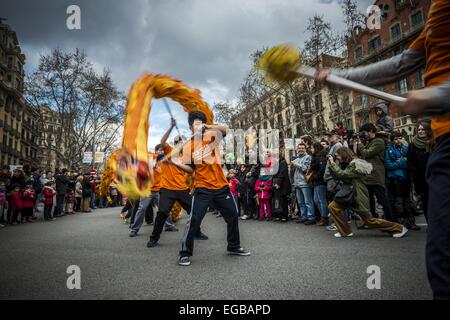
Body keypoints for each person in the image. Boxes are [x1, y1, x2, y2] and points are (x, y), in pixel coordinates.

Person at [316, 2, 450, 297]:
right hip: (443, 143)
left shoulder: (376, 142)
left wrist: (435, 96)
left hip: (379, 176)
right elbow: (401, 63)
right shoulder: (437, 10)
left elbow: (363, 160)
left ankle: (396, 225)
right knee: (442, 256)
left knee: (442, 258)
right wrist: (342, 77)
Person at [166, 111, 250, 266]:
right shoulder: (188, 146)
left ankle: (233, 246)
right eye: (195, 124)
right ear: (190, 126)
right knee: (195, 220)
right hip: (203, 188)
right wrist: (176, 163)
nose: (198, 126)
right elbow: (191, 170)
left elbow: (228, 130)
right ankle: (184, 253)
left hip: (221, 187)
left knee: (233, 215)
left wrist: (208, 125)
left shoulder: (211, 135)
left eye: (200, 123)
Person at [147, 120, 207, 248]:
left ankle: (197, 232)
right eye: (178, 141)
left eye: (182, 141)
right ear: (175, 143)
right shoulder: (169, 150)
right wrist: (171, 127)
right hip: (167, 189)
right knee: (162, 212)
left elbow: (192, 171)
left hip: (182, 189)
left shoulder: (187, 156)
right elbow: (162, 141)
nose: (180, 143)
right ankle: (153, 238)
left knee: (194, 211)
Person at [327, 147, 408, 238]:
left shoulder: (356, 165)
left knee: (369, 220)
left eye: (338, 155)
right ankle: (345, 231)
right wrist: (332, 164)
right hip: (349, 193)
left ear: (343, 154)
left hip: (357, 194)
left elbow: (342, 174)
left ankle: (399, 228)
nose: (337, 157)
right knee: (332, 207)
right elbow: (338, 176)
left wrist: (333, 163)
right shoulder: (348, 164)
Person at [356, 123, 395, 222]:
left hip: (376, 174)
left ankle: (393, 221)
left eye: (364, 132)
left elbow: (366, 154)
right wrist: (358, 144)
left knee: (382, 199)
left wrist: (360, 144)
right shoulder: (370, 141)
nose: (364, 134)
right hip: (369, 174)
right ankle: (372, 219)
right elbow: (360, 153)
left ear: (370, 131)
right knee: (369, 199)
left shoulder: (379, 141)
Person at [385, 132, 419, 230]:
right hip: (395, 178)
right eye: (395, 139)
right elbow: (388, 165)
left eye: (400, 138)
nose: (398, 140)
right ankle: (401, 223)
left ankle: (411, 222)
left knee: (407, 200)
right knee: (398, 201)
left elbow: (410, 161)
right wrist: (401, 161)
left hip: (406, 177)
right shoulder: (389, 150)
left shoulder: (405, 148)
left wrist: (399, 161)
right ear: (392, 140)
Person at [407, 119, 433, 221]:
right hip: (421, 180)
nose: (420, 131)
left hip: (435, 177)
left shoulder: (434, 143)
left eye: (423, 129)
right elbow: (410, 163)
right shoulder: (412, 145)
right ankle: (430, 224)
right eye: (418, 130)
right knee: (426, 203)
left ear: (428, 130)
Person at [291, 143, 314, 225]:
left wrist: (295, 164)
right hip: (297, 184)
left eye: (302, 148)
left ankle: (311, 217)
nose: (300, 149)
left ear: (305, 149)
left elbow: (305, 169)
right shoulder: (297, 158)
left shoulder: (308, 157)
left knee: (308, 201)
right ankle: (304, 217)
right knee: (301, 202)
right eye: (299, 148)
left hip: (305, 183)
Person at [310, 142, 329, 226]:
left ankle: (324, 218)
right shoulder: (315, 157)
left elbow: (322, 169)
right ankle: (323, 215)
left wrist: (316, 176)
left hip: (320, 181)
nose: (311, 150)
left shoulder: (321, 157)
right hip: (316, 181)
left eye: (312, 148)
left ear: (316, 148)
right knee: (316, 200)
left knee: (322, 200)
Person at [271, 152, 291, 222]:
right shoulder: (276, 163)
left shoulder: (283, 162)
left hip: (282, 185)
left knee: (283, 201)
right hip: (276, 184)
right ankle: (278, 215)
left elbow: (282, 173)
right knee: (277, 201)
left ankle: (284, 216)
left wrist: (278, 183)